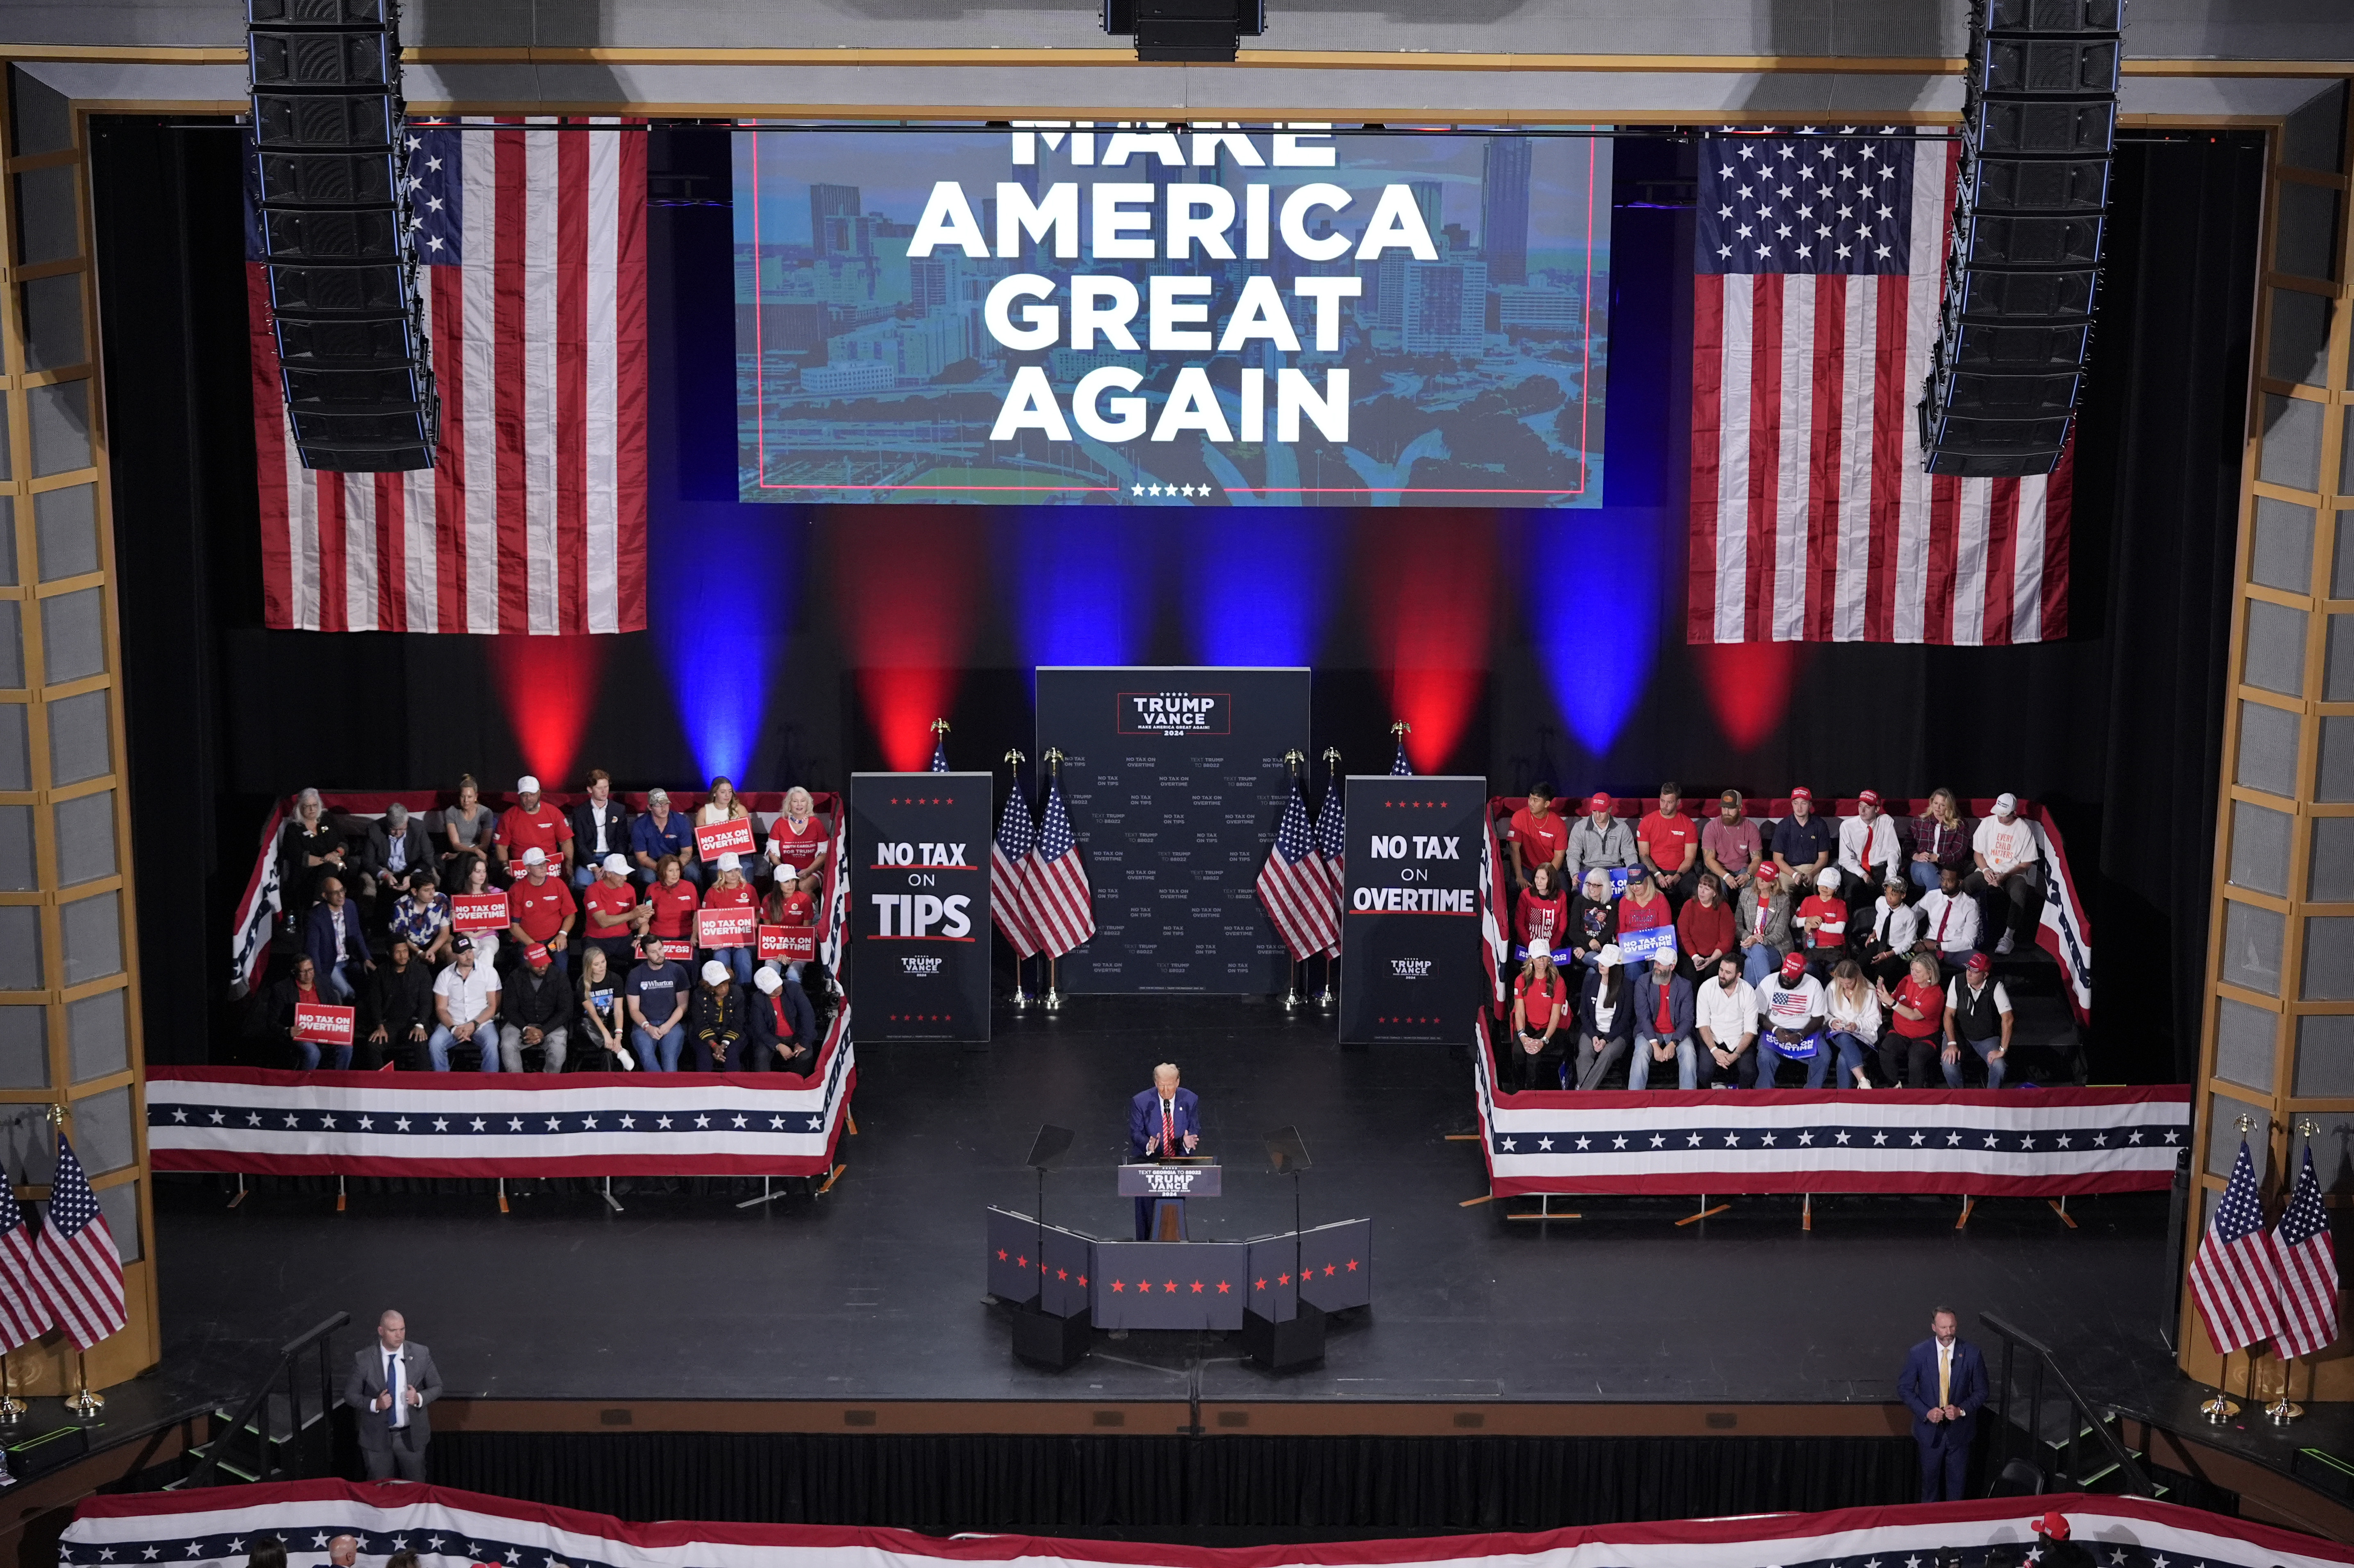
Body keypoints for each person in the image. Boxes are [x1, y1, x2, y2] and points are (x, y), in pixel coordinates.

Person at [1898, 1306, 1986, 1502]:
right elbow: (1905, 1388)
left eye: (1952, 1327)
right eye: (1944, 1328)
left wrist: (1961, 1410)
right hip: (1930, 1434)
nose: (1948, 1333)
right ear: (1934, 1327)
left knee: (1957, 1493)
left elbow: (1982, 1391)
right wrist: (1926, 1412)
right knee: (1929, 1490)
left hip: (1960, 1435)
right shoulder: (1919, 1354)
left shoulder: (1971, 1354)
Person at [344, 1308, 441, 1482]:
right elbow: (351, 1395)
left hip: (411, 1438)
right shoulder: (365, 1359)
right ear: (381, 1331)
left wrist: (419, 1398)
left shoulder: (420, 1353)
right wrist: (375, 1404)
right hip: (377, 1439)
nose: (399, 1335)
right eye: (393, 1331)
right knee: (380, 1491)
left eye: (402, 1329)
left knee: (415, 1490)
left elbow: (437, 1387)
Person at [1126, 1062, 1202, 1238]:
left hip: (1177, 1161)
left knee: (1173, 1211)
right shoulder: (1141, 1101)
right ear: (1155, 1083)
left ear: (1178, 1082)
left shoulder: (1190, 1099)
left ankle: (1174, 1250)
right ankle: (1145, 1251)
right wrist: (1148, 1144)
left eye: (1170, 1085)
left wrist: (1187, 1142)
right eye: (1161, 1085)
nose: (1166, 1090)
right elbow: (1135, 1132)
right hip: (1148, 1160)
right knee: (1146, 1213)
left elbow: (1194, 1127)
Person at [1968, 791, 2043, 956]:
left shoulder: (2023, 830)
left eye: (2004, 815)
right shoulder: (1988, 823)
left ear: (2014, 813)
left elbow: (2026, 864)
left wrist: (2006, 876)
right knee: (1966, 885)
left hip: (2012, 872)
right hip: (1987, 870)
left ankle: (2008, 937)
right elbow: (1978, 853)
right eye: (1999, 814)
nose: (2000, 818)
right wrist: (1986, 870)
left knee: (2019, 891)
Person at [426, 936, 502, 1072]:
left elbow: (492, 1007)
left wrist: (474, 1024)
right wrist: (453, 1028)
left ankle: (490, 1084)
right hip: (454, 1022)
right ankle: (444, 1085)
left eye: (470, 952)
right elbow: (441, 1008)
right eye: (463, 954)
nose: (468, 957)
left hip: (481, 1023)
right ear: (455, 955)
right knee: (435, 1043)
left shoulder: (489, 972)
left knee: (492, 1043)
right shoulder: (445, 975)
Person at [1756, 952, 1829, 1089]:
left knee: (1824, 1056)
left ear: (1802, 974)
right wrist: (1775, 1030)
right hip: (1774, 1030)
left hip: (1805, 1031)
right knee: (1765, 1056)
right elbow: (1758, 1014)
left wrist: (1801, 1035)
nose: (1786, 979)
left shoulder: (1814, 985)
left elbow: (1819, 1018)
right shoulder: (1769, 981)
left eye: (1791, 977)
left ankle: (1811, 1095)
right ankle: (1764, 1095)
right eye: (1785, 974)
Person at [1944, 952, 2015, 1089]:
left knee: (1999, 1066)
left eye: (1975, 971)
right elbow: (1949, 1015)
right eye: (1969, 968)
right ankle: (1961, 1099)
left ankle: (1990, 1101)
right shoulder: (1957, 981)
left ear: (1985, 974)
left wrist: (2003, 1050)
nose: (1969, 974)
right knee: (1948, 1063)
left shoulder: (1996, 986)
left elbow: (2008, 1019)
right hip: (1960, 1035)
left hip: (1986, 1038)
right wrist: (1952, 1043)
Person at [267, 956, 352, 1071]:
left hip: (325, 1031)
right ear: (294, 972)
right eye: (304, 971)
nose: (309, 975)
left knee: (346, 1047)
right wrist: (288, 1031)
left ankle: (337, 1082)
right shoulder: (281, 989)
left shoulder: (324, 981)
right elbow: (271, 1023)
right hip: (301, 1034)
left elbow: (336, 1009)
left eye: (311, 970)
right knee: (313, 1052)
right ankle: (304, 1084)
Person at [504, 847, 577, 978]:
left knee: (561, 972)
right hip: (527, 941)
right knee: (526, 976)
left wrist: (563, 934)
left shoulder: (558, 884)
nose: (544, 867)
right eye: (539, 865)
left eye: (544, 863)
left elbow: (570, 914)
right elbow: (514, 926)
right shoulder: (517, 890)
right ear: (528, 868)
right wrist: (534, 945)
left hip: (554, 939)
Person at [363, 936, 434, 1071]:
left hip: (414, 1022)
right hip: (390, 1024)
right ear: (389, 954)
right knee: (373, 1045)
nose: (403, 956)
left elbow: (426, 1002)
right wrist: (380, 1026)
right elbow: (375, 1002)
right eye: (398, 952)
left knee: (421, 1042)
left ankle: (424, 1085)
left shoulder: (421, 972)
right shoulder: (380, 973)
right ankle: (379, 1086)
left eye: (405, 951)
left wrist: (421, 1024)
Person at [1507, 943, 1571, 1092]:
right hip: (1528, 1026)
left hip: (1549, 1029)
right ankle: (1518, 1090)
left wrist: (1544, 1040)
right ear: (1531, 959)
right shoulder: (1521, 980)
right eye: (1538, 957)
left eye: (1545, 956)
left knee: (1534, 1056)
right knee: (1518, 1051)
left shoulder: (1558, 982)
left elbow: (1556, 1016)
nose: (1542, 961)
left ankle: (1532, 1093)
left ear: (1549, 958)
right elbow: (1520, 1012)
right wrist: (1523, 1036)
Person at [1877, 952, 1946, 1088]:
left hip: (1925, 1037)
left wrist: (1891, 1003)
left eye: (1918, 971)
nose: (1913, 974)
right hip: (1900, 1031)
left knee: (1916, 1059)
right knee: (1886, 1051)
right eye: (1912, 969)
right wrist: (1885, 1001)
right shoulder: (1907, 980)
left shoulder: (1936, 994)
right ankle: (1895, 1085)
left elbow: (1914, 1015)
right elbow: (1892, 1002)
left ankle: (1916, 1094)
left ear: (1930, 973)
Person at [1631, 946, 1694, 1090]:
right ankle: (1634, 1099)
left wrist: (1673, 1044)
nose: (1656, 966)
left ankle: (1689, 1099)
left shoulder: (1685, 986)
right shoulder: (1643, 982)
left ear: (1672, 966)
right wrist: (1655, 1046)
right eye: (1656, 962)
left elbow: (1687, 1019)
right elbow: (1643, 1017)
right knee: (1640, 1053)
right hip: (1649, 1032)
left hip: (1676, 1032)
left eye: (1661, 963)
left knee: (1689, 1052)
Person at [498, 944, 570, 1072]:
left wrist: (544, 1031)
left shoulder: (560, 976)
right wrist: (526, 1028)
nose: (543, 967)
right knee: (508, 1045)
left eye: (545, 963)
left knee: (558, 1048)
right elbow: (510, 1010)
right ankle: (518, 1083)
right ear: (527, 963)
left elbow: (566, 1010)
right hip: (520, 1024)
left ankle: (549, 1084)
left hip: (551, 1023)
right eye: (538, 964)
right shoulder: (515, 977)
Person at [303, 877, 373, 1004]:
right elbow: (313, 950)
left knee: (369, 987)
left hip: (350, 959)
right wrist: (319, 978)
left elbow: (357, 934)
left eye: (342, 890)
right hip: (330, 964)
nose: (341, 896)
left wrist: (367, 958)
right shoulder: (315, 916)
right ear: (325, 895)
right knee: (348, 993)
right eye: (336, 893)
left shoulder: (350, 906)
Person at [625, 934, 689, 1072]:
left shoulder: (677, 971)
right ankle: (659, 1088)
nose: (660, 954)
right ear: (645, 954)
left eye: (661, 949)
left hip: (671, 1023)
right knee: (647, 1057)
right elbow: (634, 1010)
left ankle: (669, 1090)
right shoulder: (636, 974)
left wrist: (668, 1025)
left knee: (670, 1061)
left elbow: (683, 1005)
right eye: (654, 952)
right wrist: (647, 1027)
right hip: (644, 1024)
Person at [1573, 942, 1633, 1090]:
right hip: (1592, 1030)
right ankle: (1590, 1095)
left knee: (1607, 1054)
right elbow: (1585, 1014)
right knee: (1585, 1054)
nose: (1601, 965)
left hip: (1616, 1035)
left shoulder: (1627, 986)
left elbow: (1625, 1020)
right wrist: (1594, 1035)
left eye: (1606, 962)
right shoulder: (1591, 981)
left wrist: (1606, 1040)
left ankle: (1584, 1093)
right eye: (1601, 961)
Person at [1694, 954, 1759, 1090]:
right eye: (1721, 970)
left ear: (1738, 975)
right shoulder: (1707, 988)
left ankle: (1740, 1102)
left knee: (1749, 1072)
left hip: (1738, 1039)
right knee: (1704, 1072)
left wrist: (1736, 1055)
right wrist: (1714, 1050)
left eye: (1728, 972)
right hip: (1713, 1038)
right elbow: (1703, 1025)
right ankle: (1709, 1101)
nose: (1722, 975)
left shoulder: (1748, 992)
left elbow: (1750, 1031)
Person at [277, 787, 345, 913]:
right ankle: (317, 906)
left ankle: (318, 903)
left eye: (315, 805)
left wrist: (336, 854)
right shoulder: (293, 829)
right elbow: (301, 858)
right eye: (307, 806)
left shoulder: (327, 819)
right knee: (330, 867)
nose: (312, 809)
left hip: (334, 870)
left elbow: (343, 844)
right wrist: (331, 860)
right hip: (306, 874)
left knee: (331, 868)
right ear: (300, 808)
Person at [359, 801, 434, 911]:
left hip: (411, 869)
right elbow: (368, 861)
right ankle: (368, 921)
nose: (398, 834)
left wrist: (412, 876)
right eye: (394, 830)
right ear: (387, 823)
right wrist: (384, 876)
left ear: (407, 821)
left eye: (402, 829)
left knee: (434, 878)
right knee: (367, 880)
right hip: (385, 869)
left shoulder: (418, 828)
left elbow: (428, 859)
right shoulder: (374, 829)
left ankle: (429, 916)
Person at [1636, 781, 1701, 908]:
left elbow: (1690, 858)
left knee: (1696, 891)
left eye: (1670, 802)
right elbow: (1644, 855)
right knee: (1642, 886)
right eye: (1662, 801)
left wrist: (1677, 876)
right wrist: (1658, 875)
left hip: (1681, 872)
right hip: (1655, 870)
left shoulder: (1688, 825)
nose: (1665, 806)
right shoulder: (1647, 822)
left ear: (1678, 802)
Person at [493, 775, 571, 879]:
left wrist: (569, 863)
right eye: (524, 795)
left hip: (549, 866)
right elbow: (502, 846)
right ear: (519, 795)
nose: (529, 799)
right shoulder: (509, 817)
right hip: (522, 868)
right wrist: (505, 867)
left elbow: (566, 841)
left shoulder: (554, 813)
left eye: (532, 794)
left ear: (539, 793)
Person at [581, 854, 649, 973]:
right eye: (620, 875)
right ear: (608, 874)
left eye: (626, 874)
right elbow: (603, 922)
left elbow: (632, 925)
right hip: (597, 940)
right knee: (593, 968)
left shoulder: (629, 889)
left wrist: (639, 921)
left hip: (624, 939)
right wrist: (633, 915)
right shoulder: (593, 890)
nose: (625, 878)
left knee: (646, 962)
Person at [566, 769, 632, 888]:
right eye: (599, 788)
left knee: (616, 882)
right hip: (590, 858)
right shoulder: (580, 813)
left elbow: (622, 841)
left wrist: (610, 866)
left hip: (612, 856)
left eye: (606, 787)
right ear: (590, 790)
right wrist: (595, 868)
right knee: (582, 884)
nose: (604, 792)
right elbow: (580, 844)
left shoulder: (619, 810)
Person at [1836, 789, 1903, 907]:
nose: (1862, 811)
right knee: (1854, 889)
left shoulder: (1886, 822)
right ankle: (1853, 923)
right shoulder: (1847, 826)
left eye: (1867, 807)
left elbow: (1894, 852)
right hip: (1855, 868)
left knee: (1889, 891)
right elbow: (1845, 858)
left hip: (1879, 867)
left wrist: (1890, 878)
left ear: (1877, 809)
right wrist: (1863, 875)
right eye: (1861, 806)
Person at [1858, 872, 1924, 990]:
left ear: (1903, 895)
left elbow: (1909, 941)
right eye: (1887, 893)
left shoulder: (1909, 915)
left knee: (1882, 976)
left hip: (1896, 950)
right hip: (1879, 942)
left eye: (1893, 894)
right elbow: (1880, 918)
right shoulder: (1880, 902)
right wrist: (1874, 932)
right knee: (1860, 965)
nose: (1889, 898)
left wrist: (1889, 954)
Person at [1822, 958, 1880, 1090]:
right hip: (1838, 1032)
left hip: (1862, 1035)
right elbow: (1823, 1014)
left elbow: (1875, 1020)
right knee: (1844, 1037)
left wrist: (1857, 1025)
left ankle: (1844, 1096)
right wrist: (1832, 1021)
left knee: (1844, 1058)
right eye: (1842, 983)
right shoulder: (1832, 987)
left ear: (1856, 978)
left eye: (1849, 983)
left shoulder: (1869, 990)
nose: (1845, 986)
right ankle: (1863, 1080)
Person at [1736, 863, 1798, 986]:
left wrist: (1759, 940)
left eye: (1766, 879)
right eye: (1759, 877)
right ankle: (1766, 995)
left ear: (1774, 883)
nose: (1761, 881)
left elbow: (1779, 934)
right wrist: (1751, 938)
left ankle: (1749, 1001)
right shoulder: (1746, 894)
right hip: (1748, 943)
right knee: (1757, 950)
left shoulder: (1783, 900)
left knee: (1750, 962)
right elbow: (1737, 924)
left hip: (1775, 947)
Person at [701, 853, 758, 985]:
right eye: (729, 871)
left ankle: (743, 995)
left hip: (744, 941)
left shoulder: (749, 889)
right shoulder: (712, 892)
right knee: (721, 959)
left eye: (737, 870)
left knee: (743, 959)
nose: (734, 875)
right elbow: (706, 920)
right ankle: (723, 993)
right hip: (721, 941)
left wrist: (753, 925)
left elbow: (756, 913)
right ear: (721, 873)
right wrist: (712, 940)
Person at [749, 965, 818, 1075]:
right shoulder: (758, 999)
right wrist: (778, 1045)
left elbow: (808, 1016)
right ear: (763, 991)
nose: (777, 990)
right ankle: (764, 1087)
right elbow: (759, 1029)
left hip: (797, 1035)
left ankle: (796, 1085)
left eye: (777, 985)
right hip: (773, 1036)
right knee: (761, 1055)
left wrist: (804, 1043)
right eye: (772, 989)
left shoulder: (794, 988)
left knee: (806, 1055)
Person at [574, 945, 630, 1070]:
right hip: (591, 1027)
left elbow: (618, 1011)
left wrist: (618, 1036)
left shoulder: (615, 979)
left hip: (610, 1022)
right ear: (589, 966)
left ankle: (609, 1085)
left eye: (603, 962)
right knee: (584, 1023)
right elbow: (592, 1014)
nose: (602, 967)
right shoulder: (582, 983)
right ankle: (620, 1051)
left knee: (607, 1053)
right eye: (597, 964)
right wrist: (605, 1035)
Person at [1918, 863, 1982, 970]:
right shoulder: (1932, 896)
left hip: (1955, 949)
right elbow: (1912, 916)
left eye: (1950, 881)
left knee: (1980, 962)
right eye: (1943, 879)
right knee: (1921, 968)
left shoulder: (1970, 905)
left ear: (1960, 883)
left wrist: (1937, 946)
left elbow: (1968, 942)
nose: (1944, 884)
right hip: (1929, 945)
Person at [1506, 782, 1569, 890]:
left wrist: (1546, 877)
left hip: (1549, 868)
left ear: (1547, 804)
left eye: (1536, 800)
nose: (1531, 803)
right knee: (1514, 888)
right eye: (1530, 798)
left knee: (1564, 891)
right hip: (1526, 867)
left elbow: (1559, 856)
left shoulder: (1559, 824)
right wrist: (1519, 877)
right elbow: (1514, 849)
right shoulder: (1519, 817)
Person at [1910, 786, 1972, 895]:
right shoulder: (1920, 821)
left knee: (1942, 879)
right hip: (1921, 867)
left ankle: (1922, 911)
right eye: (1935, 803)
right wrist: (1916, 856)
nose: (1938, 808)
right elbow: (1908, 844)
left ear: (1949, 807)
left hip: (1947, 868)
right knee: (1931, 872)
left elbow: (1959, 852)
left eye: (1942, 805)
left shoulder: (1960, 825)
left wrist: (1938, 858)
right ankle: (1924, 911)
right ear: (1931, 802)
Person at [1701, 789, 1764, 897]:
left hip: (1743, 869)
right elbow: (1709, 860)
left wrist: (1748, 875)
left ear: (1740, 807)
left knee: (1752, 887)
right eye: (1724, 808)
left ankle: (1745, 913)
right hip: (1720, 869)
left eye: (1731, 808)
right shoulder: (1711, 827)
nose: (1727, 812)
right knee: (1718, 887)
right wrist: (1726, 876)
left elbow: (1757, 859)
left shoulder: (1751, 828)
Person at [1674, 872, 1735, 983]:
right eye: (1700, 887)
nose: (1701, 892)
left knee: (1711, 978)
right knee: (1690, 978)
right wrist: (1695, 957)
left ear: (1715, 893)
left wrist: (1711, 959)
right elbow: (1683, 935)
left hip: (1715, 956)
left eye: (1707, 889)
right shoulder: (1689, 905)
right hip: (1690, 955)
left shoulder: (1724, 909)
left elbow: (1727, 940)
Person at [632, 786, 698, 886]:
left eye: (666, 804)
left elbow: (687, 852)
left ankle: (697, 901)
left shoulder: (681, 821)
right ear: (650, 807)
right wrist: (662, 869)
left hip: (677, 860)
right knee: (647, 876)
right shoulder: (640, 825)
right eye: (659, 805)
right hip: (653, 862)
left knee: (693, 873)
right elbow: (642, 858)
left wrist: (675, 868)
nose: (664, 808)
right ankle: (648, 901)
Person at [1566, 792, 1636, 886]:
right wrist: (1575, 873)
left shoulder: (1622, 828)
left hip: (1615, 870)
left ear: (1610, 809)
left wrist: (1633, 874)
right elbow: (1573, 855)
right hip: (1589, 869)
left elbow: (1630, 854)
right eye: (1594, 811)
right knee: (1579, 895)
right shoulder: (1580, 827)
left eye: (1602, 811)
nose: (1597, 815)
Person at [767, 786, 830, 888]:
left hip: (813, 870)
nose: (799, 805)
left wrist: (808, 871)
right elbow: (772, 853)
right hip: (786, 871)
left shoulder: (816, 824)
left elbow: (824, 854)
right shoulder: (780, 824)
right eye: (795, 801)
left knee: (802, 887)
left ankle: (814, 904)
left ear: (808, 804)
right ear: (789, 804)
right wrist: (783, 870)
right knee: (787, 888)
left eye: (803, 801)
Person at [1769, 786, 1835, 885]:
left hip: (1813, 868)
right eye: (1796, 803)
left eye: (1804, 803)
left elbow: (1823, 858)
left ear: (1810, 805)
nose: (1799, 808)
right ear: (1792, 804)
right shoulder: (1783, 826)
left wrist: (1812, 874)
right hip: (1790, 870)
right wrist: (1794, 874)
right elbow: (1778, 859)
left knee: (1823, 885)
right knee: (1780, 886)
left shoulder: (1820, 825)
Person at [387, 868, 453, 966]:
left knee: (451, 947)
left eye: (433, 889)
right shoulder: (401, 906)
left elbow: (445, 931)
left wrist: (431, 950)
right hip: (411, 946)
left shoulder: (441, 900)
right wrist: (420, 953)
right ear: (415, 892)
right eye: (427, 890)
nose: (432, 893)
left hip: (434, 942)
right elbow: (402, 938)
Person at [689, 958, 746, 1072]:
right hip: (705, 1032)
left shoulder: (737, 993)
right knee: (704, 1057)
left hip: (732, 1031)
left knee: (731, 1055)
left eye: (726, 984)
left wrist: (723, 1046)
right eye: (719, 987)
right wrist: (714, 1046)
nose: (724, 989)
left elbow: (738, 1023)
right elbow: (699, 1024)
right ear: (709, 986)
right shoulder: (698, 995)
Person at [451, 856, 507, 972]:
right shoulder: (460, 897)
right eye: (478, 872)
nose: (482, 875)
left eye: (484, 871)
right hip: (469, 936)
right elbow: (461, 925)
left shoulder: (496, 893)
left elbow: (500, 918)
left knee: (487, 951)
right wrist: (454, 918)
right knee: (471, 952)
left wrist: (478, 934)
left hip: (489, 936)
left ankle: (484, 983)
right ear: (469, 874)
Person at [1613, 866, 1671, 975]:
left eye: (1638, 883)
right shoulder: (1625, 902)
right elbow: (1621, 931)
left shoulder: (1660, 899)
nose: (1634, 888)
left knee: (1658, 966)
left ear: (1647, 881)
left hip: (1656, 948)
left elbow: (1666, 930)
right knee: (1632, 967)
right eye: (1631, 884)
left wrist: (1653, 951)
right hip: (1633, 949)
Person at [440, 773, 494, 887]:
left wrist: (459, 855)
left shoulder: (486, 813)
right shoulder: (451, 812)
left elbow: (484, 845)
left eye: (470, 797)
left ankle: (459, 892)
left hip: (479, 853)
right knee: (464, 860)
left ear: (476, 797)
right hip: (464, 853)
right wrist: (471, 851)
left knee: (468, 861)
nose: (466, 801)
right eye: (463, 797)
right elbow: (455, 844)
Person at [697, 776, 756, 878]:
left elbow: (748, 837)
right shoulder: (704, 812)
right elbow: (702, 842)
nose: (727, 795)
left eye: (730, 791)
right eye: (723, 792)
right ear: (715, 793)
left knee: (747, 875)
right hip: (716, 857)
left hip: (740, 856)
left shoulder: (740, 810)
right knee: (717, 877)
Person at [1795, 867, 1848, 978]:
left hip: (1834, 950)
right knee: (1809, 970)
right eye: (1823, 884)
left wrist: (1821, 926)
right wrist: (1807, 920)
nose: (1825, 888)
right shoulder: (1808, 901)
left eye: (1829, 886)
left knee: (1833, 973)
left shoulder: (1840, 904)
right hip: (1813, 950)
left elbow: (1840, 928)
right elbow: (1794, 922)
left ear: (1836, 888)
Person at [1513, 863, 1569, 968]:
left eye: (1543, 879)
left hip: (1551, 946)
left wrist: (1551, 947)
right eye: (1537, 878)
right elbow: (1519, 924)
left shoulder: (1561, 896)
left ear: (1551, 880)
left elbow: (1562, 926)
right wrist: (1532, 946)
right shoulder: (1526, 895)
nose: (1538, 881)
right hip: (1528, 945)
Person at [1567, 867, 1618, 978]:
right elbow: (1573, 932)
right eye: (1589, 884)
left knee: (1592, 972)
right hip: (1580, 948)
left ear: (1604, 886)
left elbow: (1609, 930)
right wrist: (1589, 942)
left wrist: (1588, 947)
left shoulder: (1612, 904)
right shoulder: (1579, 901)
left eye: (1595, 885)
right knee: (1601, 964)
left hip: (1602, 948)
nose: (1591, 888)